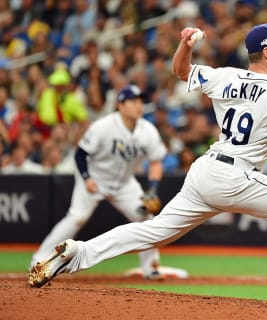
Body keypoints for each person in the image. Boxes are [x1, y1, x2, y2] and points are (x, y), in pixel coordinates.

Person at [28, 23, 267, 314]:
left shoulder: (224, 76)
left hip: (205, 171)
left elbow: (180, 71)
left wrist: (184, 45)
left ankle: (78, 253)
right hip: (236, 175)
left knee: (155, 231)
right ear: (266, 52)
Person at [30, 84, 187, 280]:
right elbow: (81, 154)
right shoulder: (103, 126)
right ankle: (38, 260)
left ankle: (150, 268)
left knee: (146, 219)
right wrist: (87, 179)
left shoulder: (148, 131)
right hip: (95, 178)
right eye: (133, 101)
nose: (138, 105)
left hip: (124, 183)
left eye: (140, 101)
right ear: (120, 105)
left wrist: (153, 189)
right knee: (77, 217)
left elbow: (156, 162)